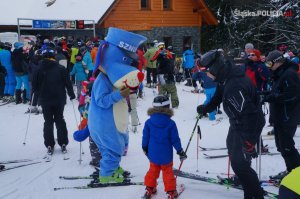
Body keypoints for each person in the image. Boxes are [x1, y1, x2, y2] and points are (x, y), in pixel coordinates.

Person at [196, 49, 266, 199]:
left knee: (241, 166)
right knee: (237, 161)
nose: (206, 75)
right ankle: (249, 192)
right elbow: (219, 95)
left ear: (215, 68)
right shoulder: (226, 76)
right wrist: (206, 108)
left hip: (245, 128)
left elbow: (254, 116)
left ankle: (256, 195)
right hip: (237, 125)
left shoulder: (234, 86)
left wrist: (250, 140)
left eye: (206, 72)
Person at [88, 27, 146, 184]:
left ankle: (113, 168)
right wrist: (119, 95)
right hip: (104, 124)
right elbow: (101, 101)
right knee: (112, 149)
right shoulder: (102, 80)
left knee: (115, 148)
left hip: (111, 122)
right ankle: (107, 175)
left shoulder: (110, 79)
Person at [264, 50, 300, 180]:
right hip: (280, 116)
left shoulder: (289, 74)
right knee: (281, 146)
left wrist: (273, 97)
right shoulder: (279, 74)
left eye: (269, 64)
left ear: (278, 62)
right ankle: (292, 170)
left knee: (287, 146)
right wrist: (267, 95)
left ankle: (297, 174)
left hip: (287, 116)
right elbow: (279, 91)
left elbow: (293, 95)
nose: (268, 67)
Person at [32, 47, 75, 154]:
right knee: (60, 119)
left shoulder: (38, 69)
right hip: (59, 99)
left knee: (48, 122)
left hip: (45, 100)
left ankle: (49, 143)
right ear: (53, 57)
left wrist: (34, 101)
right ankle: (63, 142)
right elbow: (68, 83)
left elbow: (35, 87)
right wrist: (71, 95)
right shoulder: (60, 68)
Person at [142, 95, 187, 199]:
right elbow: (175, 139)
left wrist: (145, 147)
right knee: (167, 172)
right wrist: (180, 151)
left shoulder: (149, 122)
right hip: (166, 155)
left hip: (153, 153)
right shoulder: (171, 123)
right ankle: (171, 192)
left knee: (153, 170)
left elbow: (145, 137)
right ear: (168, 107)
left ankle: (149, 188)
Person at [152, 43, 179, 108]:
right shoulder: (170, 58)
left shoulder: (159, 61)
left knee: (162, 91)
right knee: (173, 91)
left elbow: (153, 60)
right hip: (169, 76)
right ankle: (175, 105)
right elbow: (172, 66)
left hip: (161, 77)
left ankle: (161, 104)